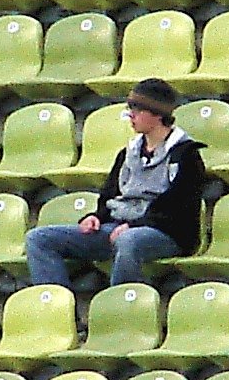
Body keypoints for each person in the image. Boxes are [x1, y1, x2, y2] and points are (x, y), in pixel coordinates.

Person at [24, 79, 208, 289]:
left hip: (164, 233)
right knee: (38, 239)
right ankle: (59, 308)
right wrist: (95, 216)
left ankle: (121, 305)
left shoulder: (186, 156)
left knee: (128, 241)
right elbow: (109, 195)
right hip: (118, 226)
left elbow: (178, 209)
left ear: (157, 114)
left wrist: (134, 226)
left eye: (137, 109)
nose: (131, 115)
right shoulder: (127, 153)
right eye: (129, 108)